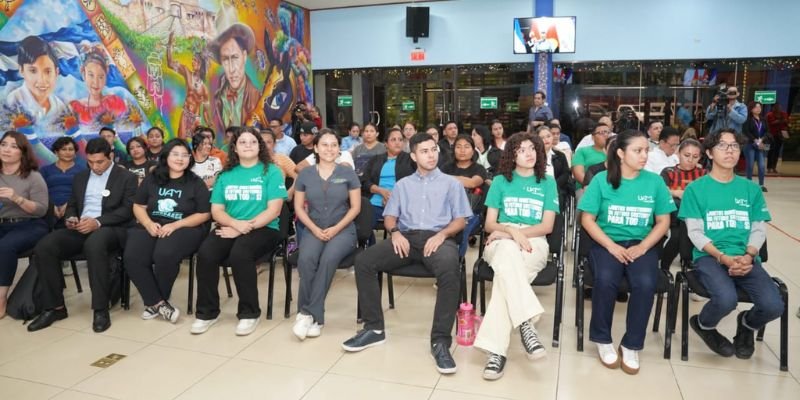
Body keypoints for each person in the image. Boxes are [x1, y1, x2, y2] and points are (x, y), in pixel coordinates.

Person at [342, 132, 472, 375]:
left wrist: (442, 235)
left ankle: (440, 340)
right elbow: (391, 215)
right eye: (424, 151)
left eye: (433, 149)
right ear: (413, 156)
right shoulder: (403, 185)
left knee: (449, 269)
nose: (431, 155)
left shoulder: (451, 184)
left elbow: (460, 221)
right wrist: (394, 232)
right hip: (407, 238)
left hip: (438, 238)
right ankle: (374, 329)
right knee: (364, 261)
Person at [679, 129, 783, 360]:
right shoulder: (696, 189)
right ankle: (704, 325)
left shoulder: (751, 189)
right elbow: (695, 233)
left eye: (734, 146)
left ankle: (746, 325)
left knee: (774, 305)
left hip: (745, 257)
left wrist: (748, 255)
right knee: (726, 299)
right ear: (709, 153)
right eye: (723, 146)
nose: (730, 150)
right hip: (709, 257)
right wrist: (722, 258)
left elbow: (758, 228)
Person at [578, 129, 675, 374]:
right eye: (637, 150)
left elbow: (663, 222)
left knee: (645, 282)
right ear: (621, 153)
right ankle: (602, 339)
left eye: (646, 150)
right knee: (606, 279)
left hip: (642, 244)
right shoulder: (601, 180)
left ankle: (632, 344)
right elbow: (587, 219)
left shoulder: (654, 182)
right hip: (606, 241)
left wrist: (643, 247)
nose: (644, 155)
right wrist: (611, 246)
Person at [27, 138, 138, 333]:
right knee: (45, 246)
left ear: (110, 157)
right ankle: (55, 307)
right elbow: (73, 204)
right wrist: (71, 217)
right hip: (81, 227)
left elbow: (128, 210)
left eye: (100, 162)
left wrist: (98, 222)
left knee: (95, 244)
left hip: (111, 228)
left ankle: (100, 309)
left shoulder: (126, 177)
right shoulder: (80, 177)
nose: (95, 166)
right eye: (90, 162)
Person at [475, 132, 559, 380]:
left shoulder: (547, 182)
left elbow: (547, 226)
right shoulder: (501, 181)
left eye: (532, 148)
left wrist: (517, 234)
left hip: (534, 241)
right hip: (501, 238)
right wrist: (511, 231)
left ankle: (496, 353)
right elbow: (491, 224)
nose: (529, 153)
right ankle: (526, 323)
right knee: (509, 256)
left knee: (505, 278)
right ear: (511, 155)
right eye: (521, 149)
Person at [190, 127, 287, 336]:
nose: (248, 146)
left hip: (264, 227)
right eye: (242, 142)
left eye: (253, 141)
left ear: (259, 146)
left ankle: (249, 313)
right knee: (206, 253)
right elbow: (216, 210)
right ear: (234, 147)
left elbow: (274, 210)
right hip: (231, 225)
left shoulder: (271, 171)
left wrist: (245, 228)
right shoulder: (225, 175)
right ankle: (207, 312)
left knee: (240, 254)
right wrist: (236, 225)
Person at [125, 139, 210, 324]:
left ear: (190, 158)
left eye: (185, 155)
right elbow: (138, 206)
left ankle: (155, 302)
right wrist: (147, 223)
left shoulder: (195, 182)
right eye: (175, 154)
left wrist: (175, 225)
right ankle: (158, 303)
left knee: (165, 252)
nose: (180, 159)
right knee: (133, 255)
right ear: (166, 156)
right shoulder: (152, 178)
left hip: (186, 226)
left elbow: (204, 214)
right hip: (152, 224)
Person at [292, 130, 361, 340]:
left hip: (343, 229)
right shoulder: (305, 174)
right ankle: (314, 319)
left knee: (328, 259)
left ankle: (307, 313)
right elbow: (298, 208)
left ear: (339, 149)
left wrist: (336, 228)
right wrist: (313, 229)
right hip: (314, 227)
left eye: (333, 145)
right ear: (316, 148)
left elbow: (355, 208)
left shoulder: (347, 173)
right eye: (324, 145)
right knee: (305, 260)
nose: (329, 149)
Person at [0, 131, 49, 318]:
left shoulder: (33, 177)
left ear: (23, 152)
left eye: (13, 146)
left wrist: (17, 198)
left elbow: (41, 210)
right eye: (3, 144)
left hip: (30, 224)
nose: (6, 149)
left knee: (4, 247)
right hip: (3, 223)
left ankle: (2, 299)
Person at [659, 139, 705, 271]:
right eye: (687, 155)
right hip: (673, 215)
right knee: (677, 234)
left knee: (678, 236)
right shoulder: (668, 171)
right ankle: (670, 266)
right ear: (678, 154)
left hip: (697, 216)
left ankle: (672, 265)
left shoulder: (704, 174)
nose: (690, 160)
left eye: (695, 157)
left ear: (700, 157)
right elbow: (661, 190)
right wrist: (677, 192)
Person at [7, 36, 70, 131]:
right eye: (33, 71)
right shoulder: (14, 101)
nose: (41, 80)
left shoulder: (59, 106)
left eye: (48, 71)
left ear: (56, 73)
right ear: (21, 71)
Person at [208, 23, 262, 130]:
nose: (231, 69)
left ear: (244, 56)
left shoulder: (257, 98)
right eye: (225, 59)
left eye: (235, 57)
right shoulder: (216, 95)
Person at [442, 134, 488, 257]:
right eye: (458, 147)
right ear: (454, 150)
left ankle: (457, 262)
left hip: (472, 213)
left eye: (466, 147)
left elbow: (472, 183)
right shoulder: (446, 168)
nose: (462, 150)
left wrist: (447, 179)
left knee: (462, 228)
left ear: (473, 151)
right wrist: (460, 179)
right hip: (447, 211)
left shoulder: (479, 169)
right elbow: (438, 183)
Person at [361, 127, 415, 227]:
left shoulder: (410, 159)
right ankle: (369, 242)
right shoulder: (376, 159)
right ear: (386, 143)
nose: (397, 142)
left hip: (402, 204)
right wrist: (381, 191)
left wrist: (394, 198)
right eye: (393, 139)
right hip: (376, 203)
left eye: (400, 139)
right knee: (364, 225)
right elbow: (364, 181)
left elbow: (416, 182)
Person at [69, 44, 127, 128]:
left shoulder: (115, 102)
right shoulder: (75, 107)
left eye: (101, 77)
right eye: (91, 75)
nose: (96, 82)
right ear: (83, 73)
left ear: (106, 74)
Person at [166, 32, 212, 139]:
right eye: (193, 60)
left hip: (196, 118)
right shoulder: (187, 72)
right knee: (181, 140)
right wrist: (169, 45)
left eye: (195, 60)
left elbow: (205, 110)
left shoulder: (204, 89)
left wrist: (209, 122)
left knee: (198, 143)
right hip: (186, 114)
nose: (193, 62)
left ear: (201, 65)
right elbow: (170, 63)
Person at [40, 137, 87, 226]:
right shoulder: (45, 170)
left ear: (75, 153)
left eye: (71, 149)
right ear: (56, 152)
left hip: (74, 208)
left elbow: (83, 192)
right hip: (48, 207)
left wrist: (68, 206)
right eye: (63, 149)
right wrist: (52, 207)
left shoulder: (83, 171)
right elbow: (40, 191)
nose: (68, 152)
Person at [536, 126, 571, 211]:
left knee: (558, 194)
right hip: (538, 188)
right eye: (542, 137)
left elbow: (565, 173)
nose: (546, 139)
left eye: (548, 136)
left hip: (556, 188)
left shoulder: (560, 155)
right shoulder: (534, 156)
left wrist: (554, 185)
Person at [572, 123, 609, 190]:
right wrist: (595, 188)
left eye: (608, 132)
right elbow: (578, 174)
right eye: (601, 133)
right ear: (593, 137)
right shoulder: (582, 151)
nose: (606, 135)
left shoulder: (617, 152)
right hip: (587, 188)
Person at [742, 101, 769, 192]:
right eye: (756, 107)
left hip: (761, 144)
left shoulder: (763, 119)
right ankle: (748, 184)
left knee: (761, 165)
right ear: (751, 109)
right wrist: (755, 140)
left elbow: (767, 132)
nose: (758, 109)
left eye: (760, 107)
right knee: (750, 165)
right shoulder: (748, 119)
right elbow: (746, 131)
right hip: (750, 144)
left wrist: (762, 139)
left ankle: (761, 185)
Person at [766, 103, 789, 174]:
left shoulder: (784, 114)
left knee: (777, 151)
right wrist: (780, 121)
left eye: (779, 106)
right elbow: (771, 123)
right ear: (773, 108)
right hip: (772, 135)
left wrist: (785, 121)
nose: (778, 108)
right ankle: (769, 167)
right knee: (771, 151)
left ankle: (774, 167)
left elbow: (787, 122)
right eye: (776, 107)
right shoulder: (769, 114)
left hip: (780, 135)